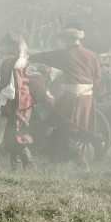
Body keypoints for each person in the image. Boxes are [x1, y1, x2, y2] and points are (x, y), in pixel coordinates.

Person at [29, 23, 101, 171]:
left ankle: (82, 163)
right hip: (87, 99)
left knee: (64, 132)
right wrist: (99, 93)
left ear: (68, 38)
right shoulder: (92, 54)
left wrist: (28, 57)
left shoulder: (66, 54)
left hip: (73, 99)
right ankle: (55, 160)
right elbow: (98, 78)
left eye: (64, 38)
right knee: (60, 130)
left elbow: (45, 57)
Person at [0, 32, 35, 170]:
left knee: (13, 137)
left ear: (7, 47)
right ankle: (16, 167)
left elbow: (11, 89)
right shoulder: (19, 61)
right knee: (11, 137)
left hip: (16, 104)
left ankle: (30, 166)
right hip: (23, 103)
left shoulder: (9, 62)